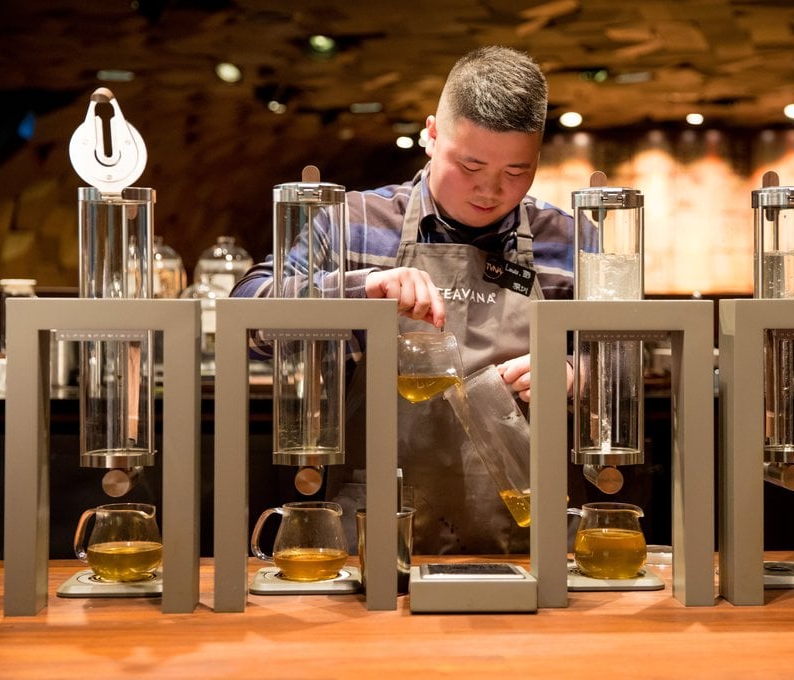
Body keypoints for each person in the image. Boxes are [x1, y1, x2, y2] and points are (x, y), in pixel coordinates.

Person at [232, 46, 582, 554]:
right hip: (374, 533)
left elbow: (621, 363)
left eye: (515, 171)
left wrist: (574, 373)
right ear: (431, 136)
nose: (490, 190)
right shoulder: (353, 223)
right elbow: (247, 321)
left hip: (523, 537)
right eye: (471, 164)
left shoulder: (566, 241)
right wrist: (362, 289)